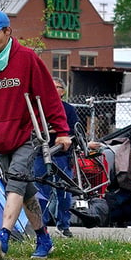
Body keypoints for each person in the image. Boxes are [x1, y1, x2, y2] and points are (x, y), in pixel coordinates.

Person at [0, 10, 71, 260]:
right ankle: (44, 239)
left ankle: (4, 237)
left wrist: (62, 131)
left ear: (8, 32)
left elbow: (50, 97)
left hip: (25, 133)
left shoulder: (27, 58)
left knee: (16, 181)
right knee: (25, 189)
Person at [33, 77, 78, 237]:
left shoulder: (69, 110)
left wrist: (60, 133)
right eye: (49, 87)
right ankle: (41, 227)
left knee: (64, 193)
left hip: (62, 156)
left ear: (63, 91)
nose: (52, 90)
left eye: (57, 87)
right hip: (40, 155)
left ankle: (63, 225)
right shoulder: (38, 109)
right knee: (41, 192)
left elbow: (74, 132)